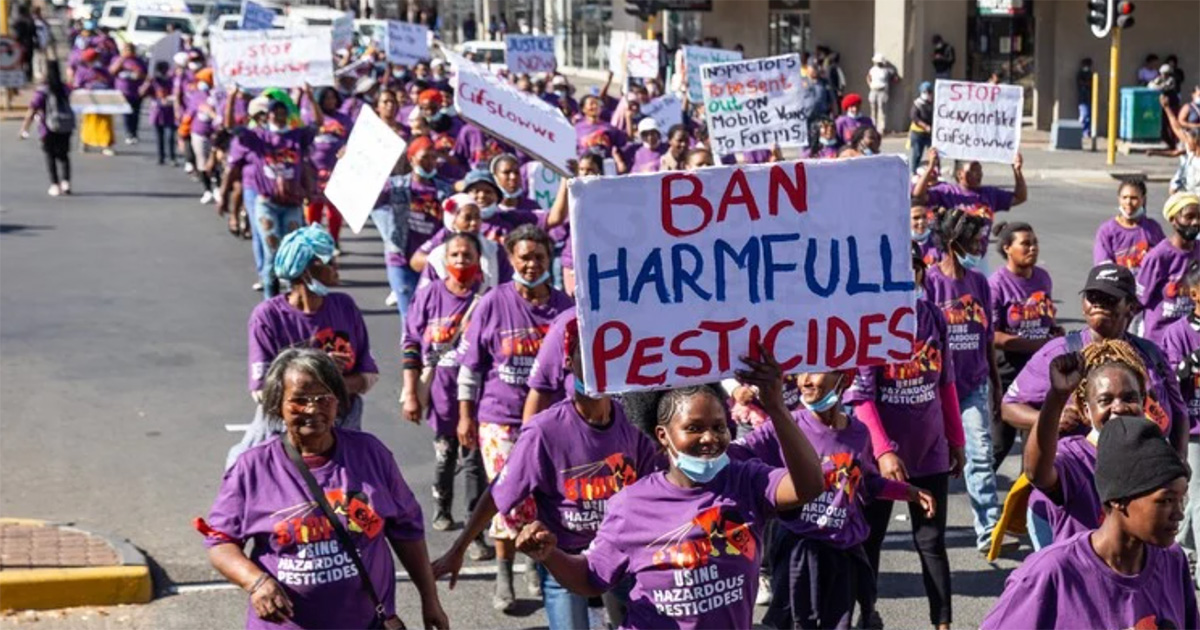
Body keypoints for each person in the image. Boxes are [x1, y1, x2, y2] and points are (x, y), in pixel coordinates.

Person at [516, 352, 825, 629]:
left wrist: (776, 407)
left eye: (719, 427)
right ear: (663, 435)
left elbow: (809, 486)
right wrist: (550, 555)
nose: (710, 438)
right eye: (694, 428)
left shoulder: (745, 481)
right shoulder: (631, 504)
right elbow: (590, 578)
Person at [435, 318, 662, 629]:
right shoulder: (545, 431)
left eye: (607, 357)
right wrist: (458, 548)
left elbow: (653, 491)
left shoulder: (632, 424)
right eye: (589, 356)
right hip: (562, 556)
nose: (599, 366)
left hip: (621, 554)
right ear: (569, 362)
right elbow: (500, 493)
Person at [199, 348, 449, 630]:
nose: (312, 409)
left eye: (323, 398)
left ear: (337, 401)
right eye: (299, 400)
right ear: (277, 404)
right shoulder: (253, 467)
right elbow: (220, 542)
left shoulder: (370, 453)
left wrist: (430, 599)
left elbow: (407, 530)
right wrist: (256, 581)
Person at [731, 369, 935, 629]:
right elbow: (735, 453)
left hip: (842, 551)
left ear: (845, 379)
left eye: (815, 371)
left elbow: (866, 483)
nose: (805, 381)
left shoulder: (859, 433)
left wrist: (908, 492)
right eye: (800, 372)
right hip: (798, 551)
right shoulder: (786, 426)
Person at [981, 416, 1195, 629]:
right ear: (1118, 499)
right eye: (1166, 500)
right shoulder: (1050, 573)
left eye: (1182, 499)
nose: (1179, 514)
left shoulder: (1172, 560)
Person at [456, 225, 573, 611]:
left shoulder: (565, 308)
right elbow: (470, 367)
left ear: (549, 260)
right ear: (511, 259)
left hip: (554, 423)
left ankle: (535, 564)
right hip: (500, 419)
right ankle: (504, 571)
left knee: (546, 500)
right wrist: (465, 415)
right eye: (524, 257)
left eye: (539, 257)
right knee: (509, 497)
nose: (531, 264)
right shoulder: (493, 302)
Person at [847, 245, 964, 630]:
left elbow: (945, 384)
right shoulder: (870, 322)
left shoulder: (933, 317)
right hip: (881, 459)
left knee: (931, 542)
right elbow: (861, 398)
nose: (905, 275)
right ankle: (867, 615)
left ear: (920, 272)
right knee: (871, 540)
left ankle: (943, 624)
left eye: (911, 267)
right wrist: (883, 451)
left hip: (930, 451)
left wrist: (956, 440)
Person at [1001, 263, 1190, 461]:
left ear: (1131, 308)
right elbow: (1009, 407)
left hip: (1142, 469)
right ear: (1083, 305)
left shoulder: (1152, 354)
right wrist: (1052, 417)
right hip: (1080, 470)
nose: (1098, 304)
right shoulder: (1058, 354)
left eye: (1109, 298)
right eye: (1092, 297)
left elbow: (1179, 413)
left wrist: (1180, 461)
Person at [227, 225, 378, 468]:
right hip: (285, 427)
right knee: (241, 467)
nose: (336, 267)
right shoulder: (267, 317)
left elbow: (367, 376)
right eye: (328, 261)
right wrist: (321, 373)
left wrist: (330, 385)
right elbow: (263, 392)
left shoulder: (345, 307)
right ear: (305, 271)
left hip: (344, 422)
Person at [401, 232, 492, 558]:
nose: (460, 261)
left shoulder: (488, 298)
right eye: (454, 255)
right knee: (446, 456)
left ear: (478, 259)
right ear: (444, 259)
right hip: (440, 394)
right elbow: (411, 343)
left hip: (479, 395)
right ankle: (442, 506)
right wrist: (411, 392)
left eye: (467, 255)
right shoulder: (429, 296)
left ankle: (474, 533)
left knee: (474, 464)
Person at [923, 209, 1002, 553]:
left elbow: (988, 338)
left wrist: (996, 383)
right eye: (974, 242)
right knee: (933, 462)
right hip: (936, 389)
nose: (980, 248)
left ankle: (989, 528)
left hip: (973, 386)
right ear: (954, 243)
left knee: (980, 454)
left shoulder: (979, 282)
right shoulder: (930, 282)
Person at [989, 222, 1062, 469]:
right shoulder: (997, 284)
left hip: (1040, 373)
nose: (1033, 248)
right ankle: (979, 488)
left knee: (1035, 443)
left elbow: (1047, 318)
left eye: (1035, 243)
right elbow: (993, 336)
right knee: (1000, 443)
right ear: (1007, 248)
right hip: (1008, 372)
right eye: (1026, 243)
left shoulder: (1043, 278)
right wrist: (1035, 344)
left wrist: (1054, 332)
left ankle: (1027, 492)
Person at [231, 90, 313, 299]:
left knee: (292, 252)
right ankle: (270, 301)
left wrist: (310, 97)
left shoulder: (296, 136)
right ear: (267, 115)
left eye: (282, 112)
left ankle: (294, 297)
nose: (279, 116)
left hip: (292, 203)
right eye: (274, 112)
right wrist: (232, 97)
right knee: (272, 252)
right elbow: (231, 127)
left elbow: (318, 124)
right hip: (267, 203)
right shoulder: (259, 138)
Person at [913, 149, 1027, 273]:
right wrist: (931, 167)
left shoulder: (990, 194)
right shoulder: (947, 192)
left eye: (980, 170)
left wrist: (1017, 171)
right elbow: (918, 195)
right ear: (960, 174)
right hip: (952, 257)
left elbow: (1019, 197)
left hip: (978, 259)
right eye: (973, 170)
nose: (978, 174)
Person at [1163, 268, 1200, 587]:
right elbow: (1170, 380)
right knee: (1199, 497)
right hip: (1193, 428)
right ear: (1194, 294)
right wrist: (1191, 362)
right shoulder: (1177, 333)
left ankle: (1181, 551)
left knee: (1195, 499)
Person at [1137, 192, 1200, 345]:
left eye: (1199, 217)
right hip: (1159, 343)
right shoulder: (1158, 257)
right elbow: (1138, 301)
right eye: (1189, 216)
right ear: (1173, 219)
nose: (1195, 222)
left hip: (1192, 340)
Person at [304, 87, 351, 248]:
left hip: (336, 171)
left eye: (333, 98)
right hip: (314, 171)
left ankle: (334, 241)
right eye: (326, 98)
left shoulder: (344, 119)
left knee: (335, 209)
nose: (330, 101)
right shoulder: (311, 118)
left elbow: (352, 140)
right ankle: (314, 242)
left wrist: (346, 149)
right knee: (314, 207)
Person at [19, 60, 74, 197]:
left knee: (50, 156)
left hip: (48, 128)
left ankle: (55, 184)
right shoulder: (65, 89)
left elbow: (32, 110)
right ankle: (66, 182)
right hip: (66, 125)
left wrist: (24, 128)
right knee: (64, 155)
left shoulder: (42, 91)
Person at [1093, 179, 1165, 275]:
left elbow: (1165, 260)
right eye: (1124, 197)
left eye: (1134, 198)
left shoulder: (1153, 228)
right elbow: (1104, 268)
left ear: (1143, 199)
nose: (1128, 202)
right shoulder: (1107, 231)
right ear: (1119, 199)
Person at [73, 48, 116, 156]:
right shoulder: (82, 71)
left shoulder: (103, 70)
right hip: (89, 101)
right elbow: (77, 85)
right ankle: (85, 143)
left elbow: (111, 83)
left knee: (105, 123)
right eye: (94, 58)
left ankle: (106, 145)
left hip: (104, 101)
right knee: (88, 122)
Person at [109, 43, 146, 145]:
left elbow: (145, 74)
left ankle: (134, 133)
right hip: (123, 91)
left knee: (135, 113)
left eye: (130, 49)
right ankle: (129, 133)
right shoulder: (117, 59)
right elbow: (111, 71)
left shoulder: (139, 61)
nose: (128, 51)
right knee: (126, 113)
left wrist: (138, 73)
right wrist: (121, 60)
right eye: (126, 49)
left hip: (136, 91)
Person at [143, 61, 177, 166]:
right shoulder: (153, 82)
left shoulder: (172, 80)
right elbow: (142, 93)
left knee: (170, 136)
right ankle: (161, 157)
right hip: (157, 112)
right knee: (159, 137)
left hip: (170, 111)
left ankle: (172, 157)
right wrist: (147, 83)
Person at [575, 94, 626, 158]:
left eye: (597, 104)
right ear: (583, 109)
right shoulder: (578, 127)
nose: (595, 106)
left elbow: (623, 142)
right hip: (585, 161)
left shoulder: (609, 127)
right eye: (591, 104)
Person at [866, 53, 897, 134]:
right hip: (873, 90)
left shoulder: (887, 70)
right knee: (873, 109)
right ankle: (873, 126)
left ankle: (882, 128)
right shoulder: (872, 69)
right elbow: (868, 77)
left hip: (882, 91)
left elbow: (895, 78)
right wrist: (870, 85)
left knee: (882, 110)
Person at [908, 82, 934, 175]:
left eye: (929, 92)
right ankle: (913, 173)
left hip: (930, 134)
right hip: (918, 133)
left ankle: (934, 172)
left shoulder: (932, 104)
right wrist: (925, 126)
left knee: (933, 154)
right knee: (917, 154)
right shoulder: (917, 104)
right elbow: (914, 117)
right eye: (925, 92)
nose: (928, 94)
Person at [1077, 58, 1094, 136]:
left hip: (1088, 98)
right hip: (1083, 98)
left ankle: (1086, 132)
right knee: (1084, 115)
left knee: (1088, 116)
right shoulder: (1080, 74)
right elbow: (1081, 84)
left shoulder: (1090, 74)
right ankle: (1080, 131)